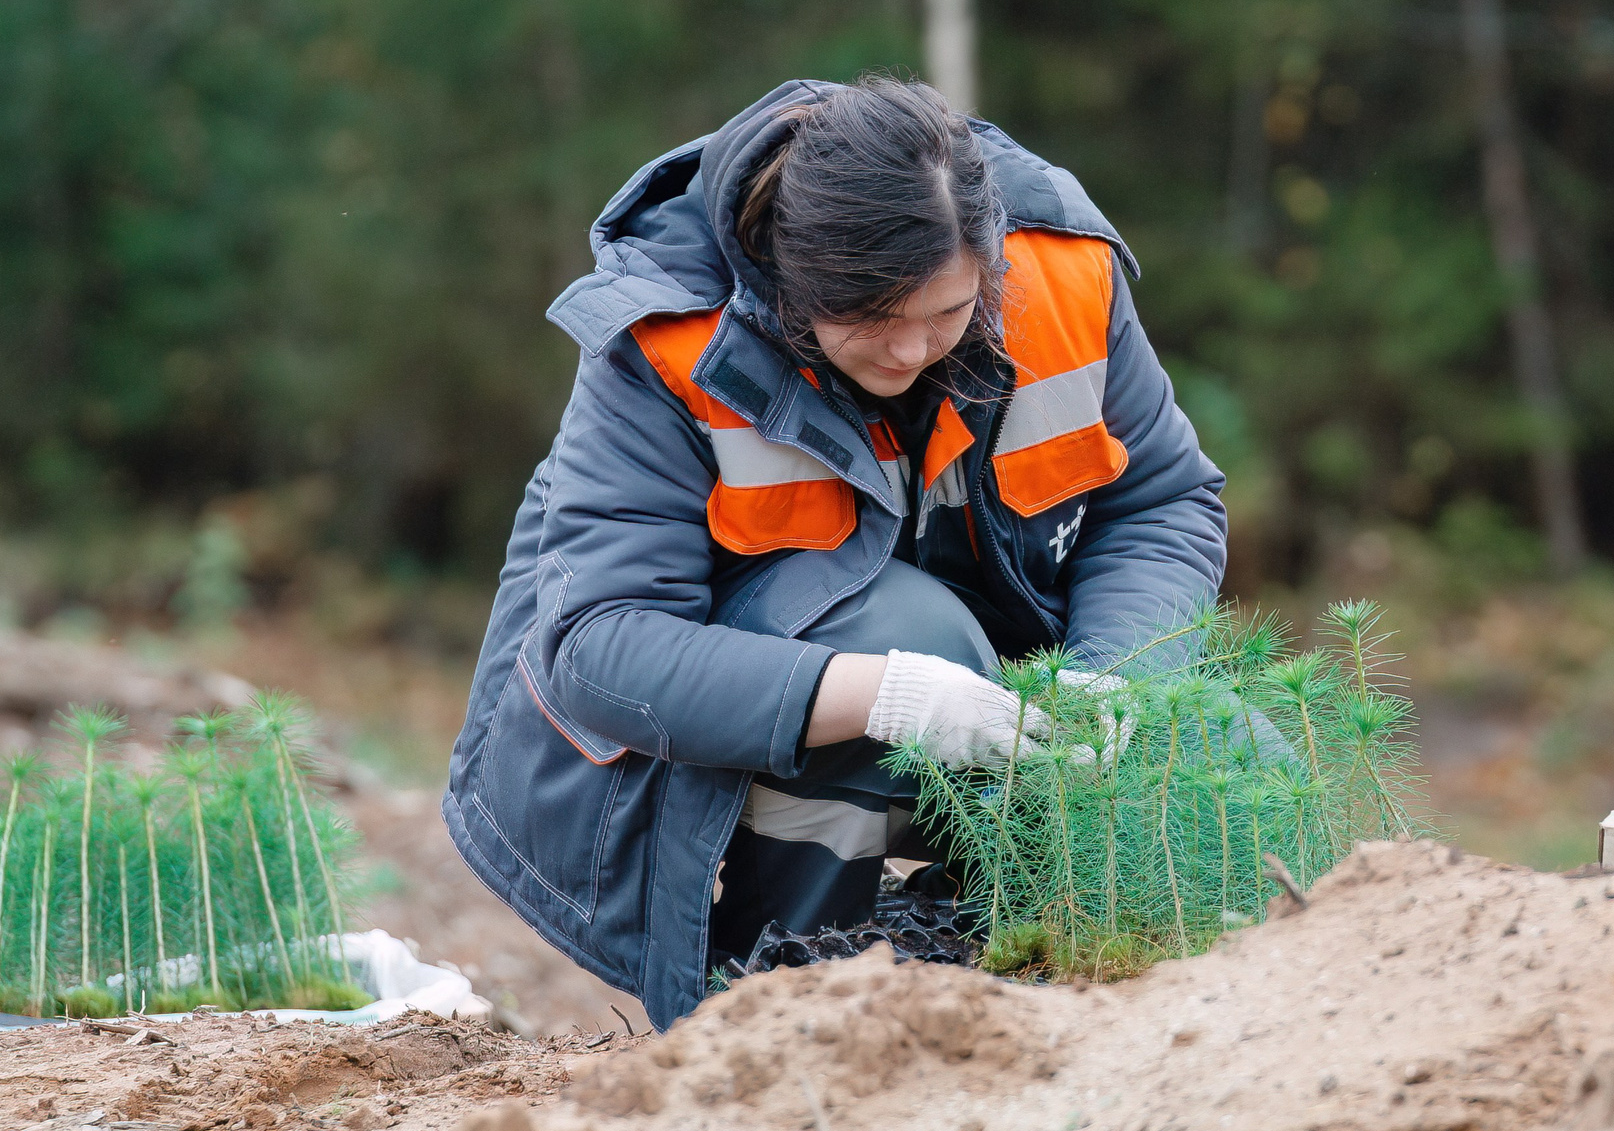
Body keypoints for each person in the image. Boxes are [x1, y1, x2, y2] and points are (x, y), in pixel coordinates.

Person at [444, 76, 1225, 1027]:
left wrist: (1114, 677)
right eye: (868, 319)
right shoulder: (666, 338)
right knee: (914, 633)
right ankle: (776, 1011)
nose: (910, 353)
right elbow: (598, 650)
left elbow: (1161, 502)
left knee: (1229, 750)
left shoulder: (1061, 273)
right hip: (688, 764)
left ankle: (1043, 1001)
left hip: (999, 704)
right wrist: (890, 693)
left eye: (944, 313)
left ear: (987, 259)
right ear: (789, 278)